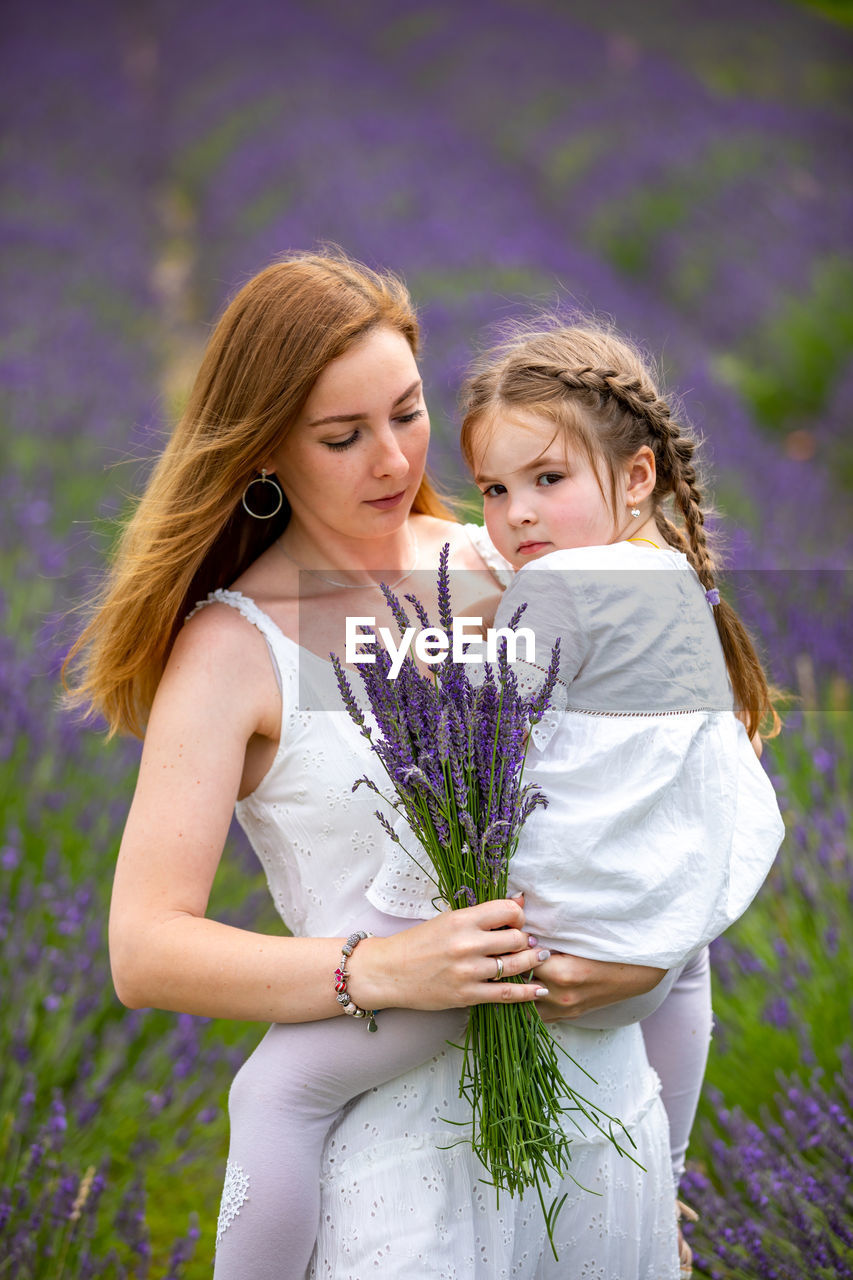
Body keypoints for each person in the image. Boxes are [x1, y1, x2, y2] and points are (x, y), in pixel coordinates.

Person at [65, 250, 692, 1280]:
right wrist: (379, 967)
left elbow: (655, 810)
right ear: (267, 450)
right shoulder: (232, 651)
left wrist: (646, 959)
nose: (394, 461)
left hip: (601, 1136)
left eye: (406, 413)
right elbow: (143, 947)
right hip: (406, 1178)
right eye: (342, 436)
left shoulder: (505, 563)